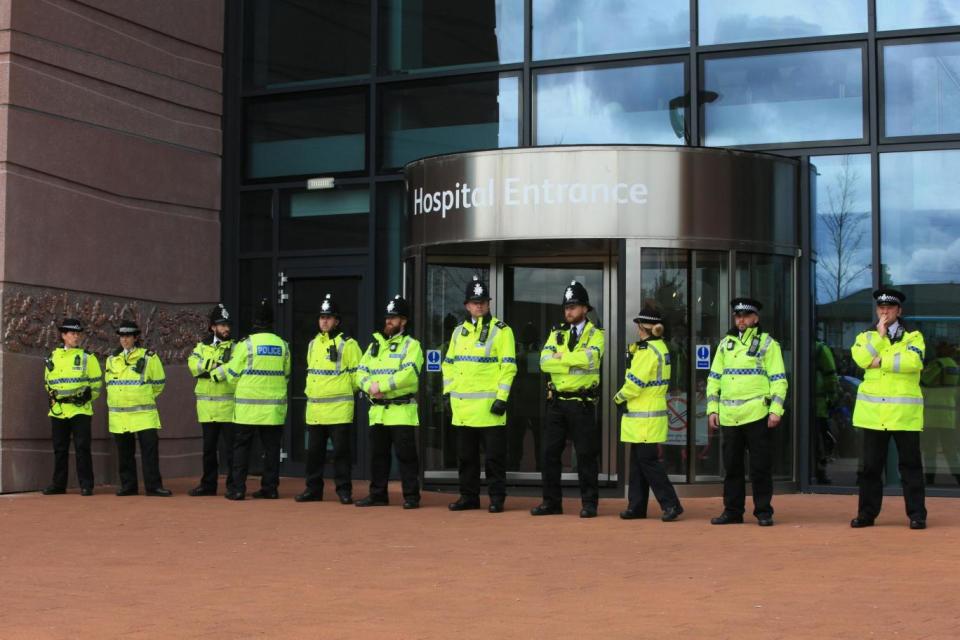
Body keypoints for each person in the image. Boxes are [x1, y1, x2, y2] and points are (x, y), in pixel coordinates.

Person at [849, 288, 927, 529]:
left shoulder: (913, 337)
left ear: (899, 311)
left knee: (910, 467)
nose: (884, 312)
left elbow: (914, 362)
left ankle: (916, 515)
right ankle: (867, 515)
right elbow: (861, 359)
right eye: (881, 308)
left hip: (904, 415)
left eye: (890, 308)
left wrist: (880, 361)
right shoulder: (866, 336)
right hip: (874, 415)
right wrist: (880, 338)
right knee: (870, 468)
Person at [706, 298, 787, 526]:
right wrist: (713, 409)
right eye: (737, 316)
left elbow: (779, 380)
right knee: (732, 467)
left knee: (760, 467)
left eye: (745, 315)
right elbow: (714, 379)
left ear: (755, 318)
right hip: (730, 416)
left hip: (757, 414)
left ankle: (763, 511)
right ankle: (732, 511)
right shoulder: (725, 344)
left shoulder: (768, 344)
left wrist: (775, 410)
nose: (741, 320)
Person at [442, 276, 516, 513]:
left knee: (494, 458)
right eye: (475, 302)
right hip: (463, 407)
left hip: (490, 408)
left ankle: (496, 498)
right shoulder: (457, 333)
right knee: (466, 458)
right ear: (466, 305)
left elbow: (509, 366)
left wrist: (501, 398)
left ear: (489, 303)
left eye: (483, 301)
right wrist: (449, 393)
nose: (479, 305)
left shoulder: (502, 331)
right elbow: (448, 364)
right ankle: (468, 497)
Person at [530, 281, 605, 518]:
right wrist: (573, 357)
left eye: (573, 306)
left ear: (585, 308)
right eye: (566, 307)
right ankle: (551, 502)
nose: (569, 311)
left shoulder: (596, 334)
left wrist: (561, 357)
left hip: (581, 403)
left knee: (585, 455)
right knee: (549, 455)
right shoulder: (557, 332)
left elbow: (592, 359)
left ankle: (589, 503)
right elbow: (543, 361)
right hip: (557, 402)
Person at [212, 299, 290, 500]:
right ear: (272, 321)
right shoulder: (282, 345)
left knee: (241, 450)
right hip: (273, 410)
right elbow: (287, 374)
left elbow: (232, 373)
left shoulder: (246, 345)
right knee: (272, 450)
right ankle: (270, 488)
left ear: (254, 321)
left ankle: (238, 489)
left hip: (247, 409)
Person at [354, 295, 423, 509]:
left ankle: (411, 497)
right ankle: (378, 495)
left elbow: (409, 375)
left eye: (393, 318)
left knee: (406, 457)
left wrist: (380, 387)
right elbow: (360, 372)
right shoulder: (375, 344)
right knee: (378, 457)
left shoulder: (412, 345)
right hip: (378, 411)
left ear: (404, 321)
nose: (389, 321)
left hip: (401, 410)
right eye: (388, 317)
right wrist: (369, 387)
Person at [615, 307, 683, 521]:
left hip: (644, 413)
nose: (637, 329)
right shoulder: (659, 347)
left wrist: (618, 398)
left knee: (648, 462)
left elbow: (635, 383)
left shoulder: (647, 352)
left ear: (643, 327)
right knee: (638, 462)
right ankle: (636, 506)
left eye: (638, 326)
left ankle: (671, 504)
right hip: (648, 414)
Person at [296, 293, 361, 504]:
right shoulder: (313, 344)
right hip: (315, 409)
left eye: (329, 317)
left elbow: (357, 376)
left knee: (341, 454)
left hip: (339, 409)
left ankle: (343, 490)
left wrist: (343, 392)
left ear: (337, 320)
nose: (324, 321)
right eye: (322, 317)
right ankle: (313, 489)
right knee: (314, 453)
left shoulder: (348, 344)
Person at [104, 320, 172, 496]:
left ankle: (153, 486)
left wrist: (143, 396)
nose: (124, 340)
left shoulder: (149, 357)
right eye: (122, 336)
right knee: (125, 453)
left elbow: (159, 384)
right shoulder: (112, 359)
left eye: (128, 336)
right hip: (120, 415)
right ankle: (128, 486)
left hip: (143, 413)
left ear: (136, 337)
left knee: (149, 452)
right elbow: (109, 384)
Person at [42, 318, 102, 496]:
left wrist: (88, 397)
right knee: (59, 449)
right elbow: (48, 381)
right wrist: (53, 396)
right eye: (72, 333)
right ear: (63, 335)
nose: (76, 337)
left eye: (78, 333)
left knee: (82, 447)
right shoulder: (52, 357)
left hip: (80, 409)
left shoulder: (87, 357)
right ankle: (59, 484)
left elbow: (97, 384)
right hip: (59, 411)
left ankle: (86, 484)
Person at [187, 304, 236, 496]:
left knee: (231, 451)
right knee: (208, 451)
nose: (226, 328)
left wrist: (210, 371)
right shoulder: (201, 346)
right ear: (212, 327)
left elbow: (234, 368)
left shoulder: (235, 347)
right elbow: (192, 365)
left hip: (229, 408)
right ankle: (208, 485)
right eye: (222, 325)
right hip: (207, 409)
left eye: (227, 325)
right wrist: (213, 364)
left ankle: (233, 486)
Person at [920, 342, 960, 486]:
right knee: (951, 450)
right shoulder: (954, 366)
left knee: (930, 449)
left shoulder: (938, 364)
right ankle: (958, 476)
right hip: (948, 415)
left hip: (932, 414)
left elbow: (924, 381)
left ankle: (930, 479)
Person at [814, 339, 840, 484]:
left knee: (819, 440)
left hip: (818, 404)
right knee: (820, 440)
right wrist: (833, 396)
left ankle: (819, 471)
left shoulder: (819, 349)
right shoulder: (821, 348)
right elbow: (831, 375)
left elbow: (830, 375)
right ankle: (820, 471)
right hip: (819, 405)